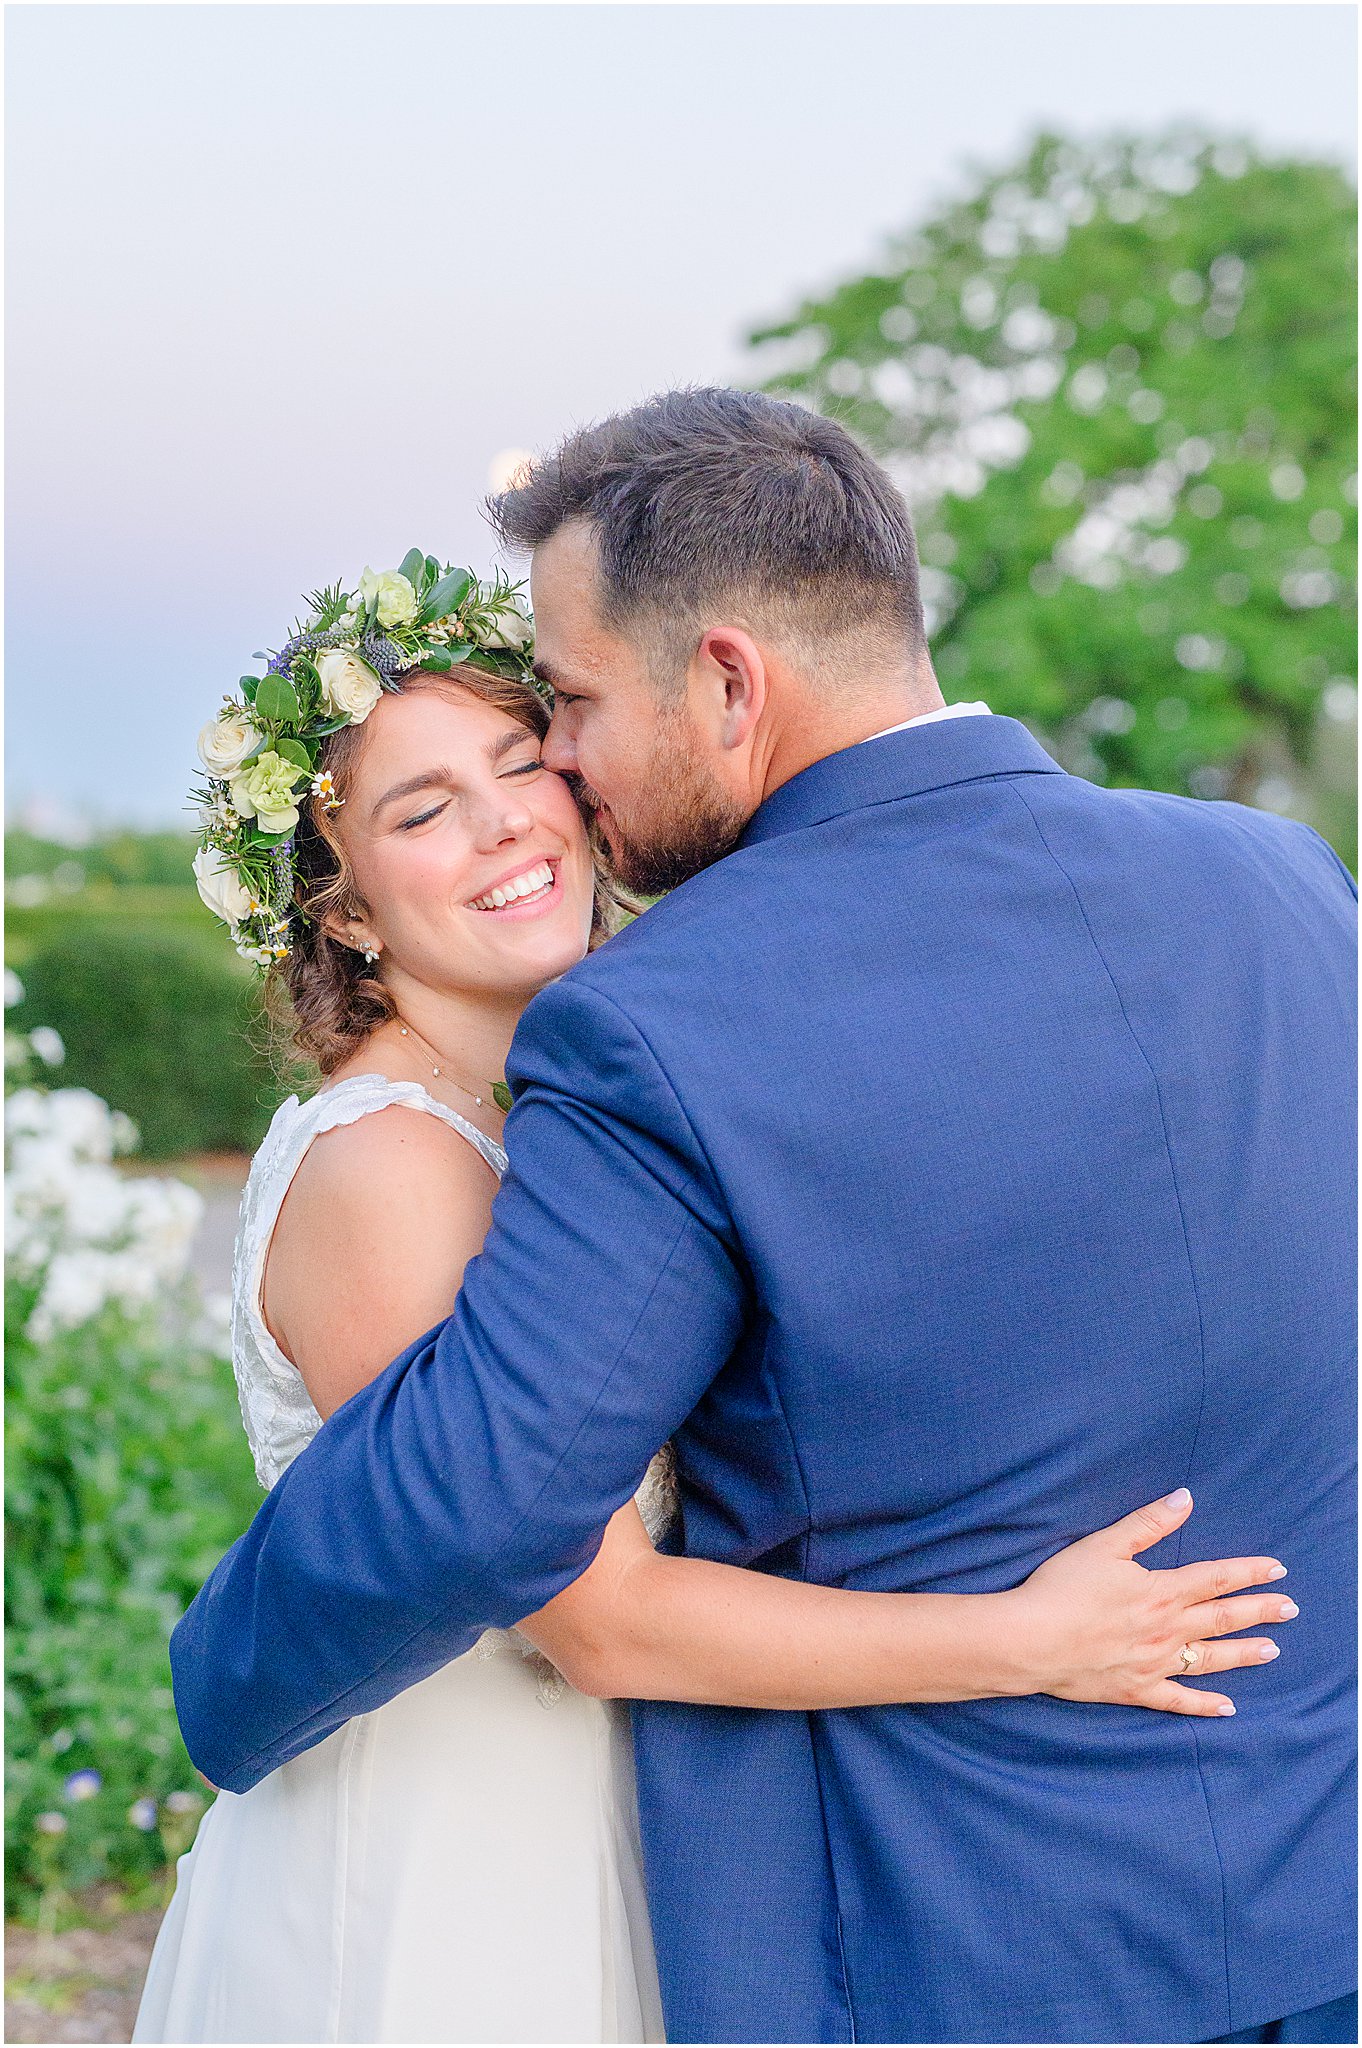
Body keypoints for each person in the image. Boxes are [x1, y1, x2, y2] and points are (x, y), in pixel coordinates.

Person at [171, 395, 1357, 2046]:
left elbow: (488, 1483)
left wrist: (224, 1681)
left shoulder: (662, 1018)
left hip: (942, 1937)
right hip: (1307, 1894)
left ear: (726, 680)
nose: (559, 776)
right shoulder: (1285, 884)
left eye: (561, 714)